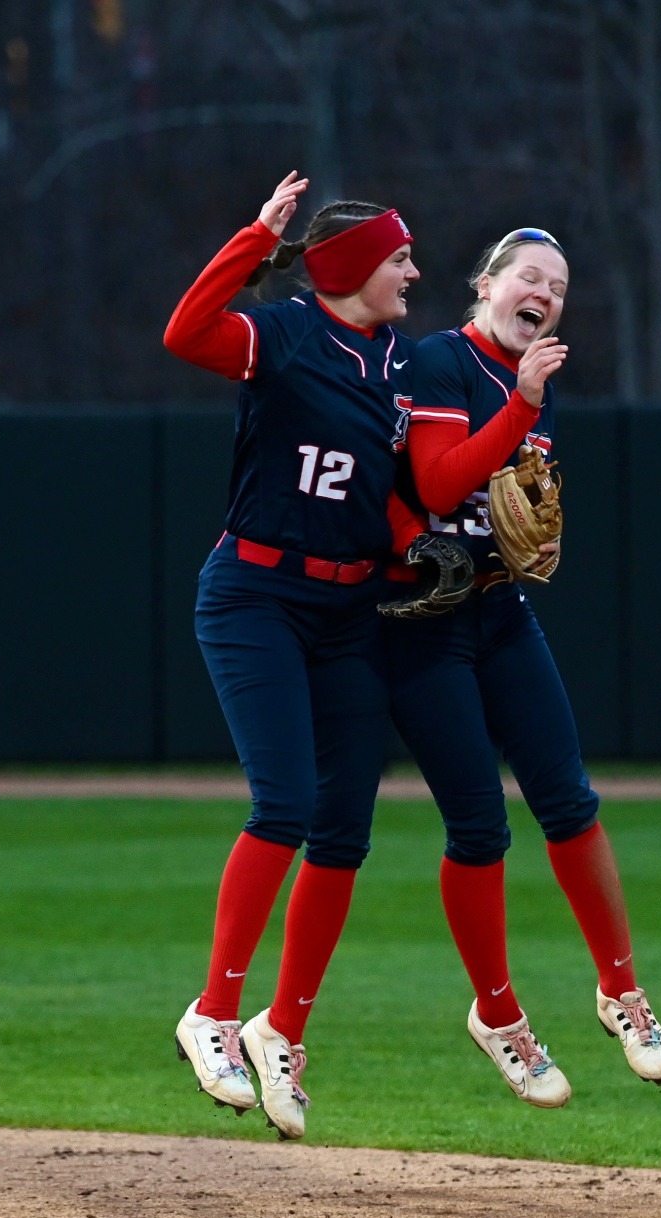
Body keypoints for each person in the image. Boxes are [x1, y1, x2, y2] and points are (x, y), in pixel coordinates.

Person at [385, 228, 661, 1107]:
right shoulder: (442, 362)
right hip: (424, 624)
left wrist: (526, 420)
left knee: (568, 799)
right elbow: (437, 488)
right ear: (486, 285)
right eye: (529, 277)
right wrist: (519, 407)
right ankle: (500, 1016)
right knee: (480, 827)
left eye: (557, 285)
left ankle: (622, 991)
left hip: (498, 611)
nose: (545, 293)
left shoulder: (533, 391)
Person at [162, 170, 423, 1141]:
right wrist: (254, 241)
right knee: (285, 804)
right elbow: (186, 333)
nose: (413, 270)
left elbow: (393, 481)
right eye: (399, 256)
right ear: (354, 265)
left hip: (348, 605)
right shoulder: (281, 334)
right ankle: (214, 1013)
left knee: (345, 824)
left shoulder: (402, 359)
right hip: (256, 595)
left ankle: (283, 1032)